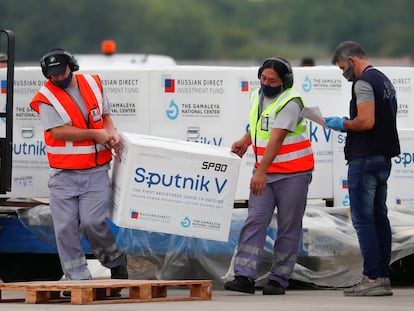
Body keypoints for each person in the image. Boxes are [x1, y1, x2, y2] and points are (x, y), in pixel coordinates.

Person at [30, 48, 128, 284]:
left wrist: (110, 133)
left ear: (71, 66)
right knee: (65, 228)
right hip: (63, 175)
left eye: (61, 72)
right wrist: (95, 135)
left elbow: (105, 115)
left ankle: (115, 260)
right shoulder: (45, 97)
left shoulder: (93, 84)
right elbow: (59, 132)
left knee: (92, 223)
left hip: (95, 172)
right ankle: (77, 279)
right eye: (52, 75)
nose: (58, 78)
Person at [224, 57, 314, 295]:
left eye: (272, 80)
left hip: (292, 174)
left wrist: (261, 171)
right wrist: (245, 141)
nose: (266, 83)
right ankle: (244, 276)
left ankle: (279, 279)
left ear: (284, 82)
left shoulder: (291, 102)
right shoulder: (257, 96)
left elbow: (277, 138)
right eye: (263, 78)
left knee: (288, 226)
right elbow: (258, 125)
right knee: (255, 221)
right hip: (266, 173)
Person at [325, 41, 400, 296]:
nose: (343, 72)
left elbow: (366, 121)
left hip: (365, 158)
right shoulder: (384, 80)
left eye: (342, 67)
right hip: (382, 158)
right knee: (379, 218)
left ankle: (371, 279)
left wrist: (341, 124)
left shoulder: (363, 82)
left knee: (364, 220)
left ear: (352, 60)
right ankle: (382, 278)